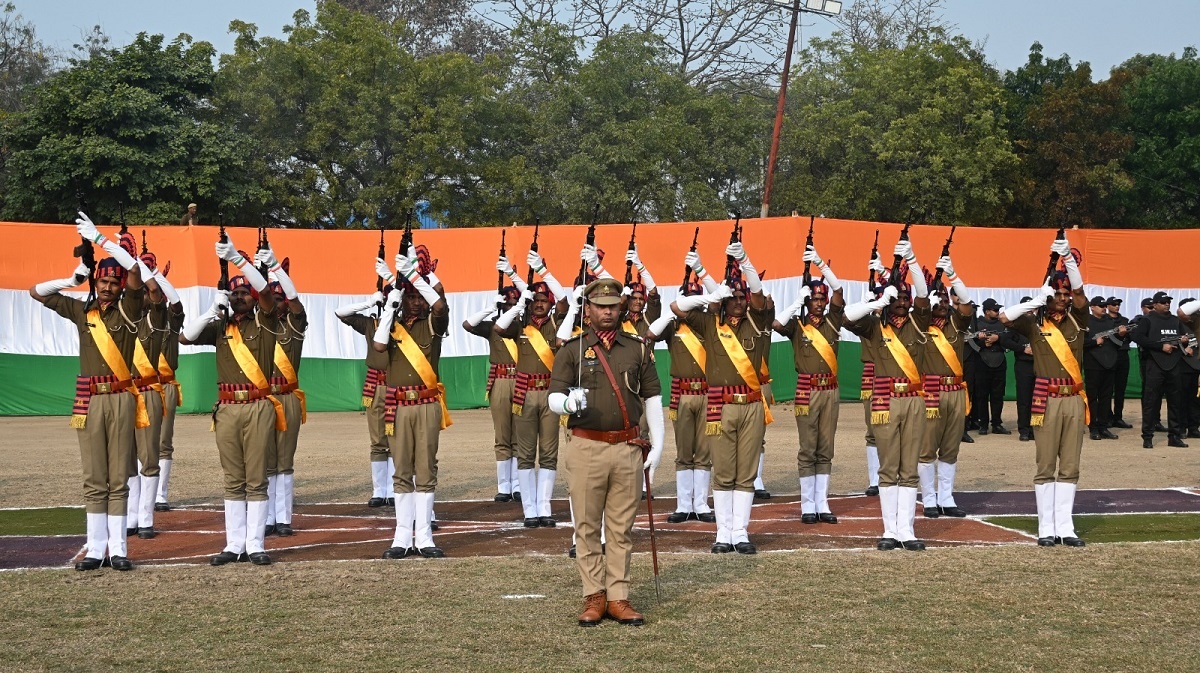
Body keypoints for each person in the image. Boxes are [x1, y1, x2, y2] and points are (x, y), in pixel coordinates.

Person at [30, 212, 153, 571]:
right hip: (89, 399)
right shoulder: (83, 311)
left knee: (118, 476)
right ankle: (96, 549)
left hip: (119, 397)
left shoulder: (130, 308)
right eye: (102, 281)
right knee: (93, 477)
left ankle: (119, 550)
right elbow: (37, 292)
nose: (107, 286)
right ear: (96, 282)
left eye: (112, 283)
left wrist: (101, 240)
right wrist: (72, 278)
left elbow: (137, 275)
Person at [549, 278, 664, 628]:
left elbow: (653, 398)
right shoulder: (571, 350)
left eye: (613, 305)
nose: (608, 311)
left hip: (628, 446)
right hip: (586, 446)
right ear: (588, 309)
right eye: (600, 306)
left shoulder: (638, 348)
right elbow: (553, 397)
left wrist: (658, 444)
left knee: (621, 528)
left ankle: (618, 597)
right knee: (585, 526)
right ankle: (594, 595)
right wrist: (567, 401)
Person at [180, 234, 279, 566]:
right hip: (226, 408)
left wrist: (237, 258)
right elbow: (185, 336)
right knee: (233, 477)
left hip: (257, 406)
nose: (239, 298)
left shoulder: (264, 322)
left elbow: (265, 291)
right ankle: (235, 543)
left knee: (256, 476)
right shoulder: (220, 325)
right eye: (234, 293)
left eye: (243, 294)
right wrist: (211, 310)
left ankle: (256, 544)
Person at [671, 241, 772, 555]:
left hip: (752, 405)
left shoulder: (758, 321)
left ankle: (740, 532)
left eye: (742, 298)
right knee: (724, 470)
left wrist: (746, 261)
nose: (740, 302)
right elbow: (677, 307)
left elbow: (760, 295)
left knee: (747, 473)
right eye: (735, 298)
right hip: (721, 406)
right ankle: (723, 534)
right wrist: (710, 293)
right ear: (725, 302)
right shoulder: (709, 324)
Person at [998, 234, 1088, 547]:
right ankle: (1046, 527)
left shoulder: (1078, 321)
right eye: (1057, 293)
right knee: (1046, 464)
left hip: (1074, 399)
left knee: (1071, 464)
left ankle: (1066, 527)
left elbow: (1080, 292)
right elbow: (1004, 317)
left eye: (1064, 293)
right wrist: (1037, 300)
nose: (1063, 298)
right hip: (1047, 399)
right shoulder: (1034, 325)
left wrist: (1070, 261)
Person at [844, 238, 931, 551]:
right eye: (897, 298)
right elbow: (845, 317)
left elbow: (923, 293)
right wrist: (877, 303)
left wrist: (912, 257)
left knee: (909, 466)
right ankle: (890, 530)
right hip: (884, 400)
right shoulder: (876, 326)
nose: (902, 302)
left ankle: (906, 530)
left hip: (914, 400)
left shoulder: (919, 322)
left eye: (903, 297)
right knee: (888, 466)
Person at [373, 247, 451, 558]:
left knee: (426, 467)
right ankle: (402, 536)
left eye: (419, 297)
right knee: (402, 469)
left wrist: (415, 276)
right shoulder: (392, 325)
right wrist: (391, 307)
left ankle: (425, 535)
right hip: (398, 406)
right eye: (411, 297)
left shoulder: (432, 324)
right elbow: (379, 346)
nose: (416, 301)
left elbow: (440, 305)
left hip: (426, 405)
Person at [494, 248, 571, 528]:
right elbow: (500, 329)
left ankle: (544, 506)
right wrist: (518, 304)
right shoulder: (520, 323)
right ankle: (529, 510)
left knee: (549, 452)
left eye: (542, 300)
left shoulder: (557, 323)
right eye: (535, 300)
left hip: (551, 395)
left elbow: (564, 299)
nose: (539, 304)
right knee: (526, 453)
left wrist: (543, 271)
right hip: (523, 395)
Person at [773, 245, 845, 524]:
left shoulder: (833, 321)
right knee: (807, 447)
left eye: (820, 299)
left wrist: (820, 264)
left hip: (831, 390)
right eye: (813, 298)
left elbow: (838, 291)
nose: (817, 302)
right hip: (807, 389)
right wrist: (795, 301)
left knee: (826, 446)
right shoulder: (798, 325)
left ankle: (822, 503)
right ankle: (807, 505)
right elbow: (778, 324)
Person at [647, 263, 719, 524]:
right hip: (682, 393)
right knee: (683, 451)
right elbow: (650, 333)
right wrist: (672, 311)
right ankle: (682, 504)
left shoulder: (708, 323)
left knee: (703, 451)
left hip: (707, 393)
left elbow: (716, 302)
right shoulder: (673, 326)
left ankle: (700, 504)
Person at [918, 257, 976, 519]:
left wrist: (953, 274)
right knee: (928, 448)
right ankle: (929, 498)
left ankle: (947, 497)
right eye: (937, 300)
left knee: (951, 447)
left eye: (944, 300)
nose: (942, 304)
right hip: (930, 392)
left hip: (955, 393)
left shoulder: (956, 323)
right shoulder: (919, 325)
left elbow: (966, 304)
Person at [258, 249, 306, 538]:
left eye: (280, 301)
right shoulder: (256, 327)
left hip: (287, 398)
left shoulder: (295, 326)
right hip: (262, 399)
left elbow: (298, 303)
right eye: (271, 300)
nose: (276, 305)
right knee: (264, 460)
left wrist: (275, 268)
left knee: (284, 461)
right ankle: (266, 516)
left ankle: (283, 517)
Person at [335, 287, 398, 507]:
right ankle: (380, 490)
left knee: (398, 441)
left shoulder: (405, 327)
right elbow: (341, 313)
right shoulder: (371, 325)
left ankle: (395, 489)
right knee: (378, 441)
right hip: (376, 386)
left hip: (398, 387)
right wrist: (370, 303)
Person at [465, 274, 524, 502]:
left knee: (520, 436)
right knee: (502, 435)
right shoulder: (493, 327)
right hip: (500, 381)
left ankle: (518, 484)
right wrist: (491, 308)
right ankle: (504, 485)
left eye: (514, 303)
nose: (510, 307)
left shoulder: (525, 327)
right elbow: (468, 324)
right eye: (507, 304)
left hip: (521, 380)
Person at [125, 245, 169, 539]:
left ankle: (146, 518)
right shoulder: (119, 319)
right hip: (121, 394)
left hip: (148, 391)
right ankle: (130, 517)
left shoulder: (155, 320)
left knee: (149, 455)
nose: (141, 296)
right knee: (125, 458)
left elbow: (157, 297)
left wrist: (141, 267)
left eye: (142, 292)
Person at [1132, 292, 1191, 449]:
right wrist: (1160, 347)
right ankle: (1148, 436)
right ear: (1155, 304)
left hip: (1174, 364)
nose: (1167, 304)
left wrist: (1184, 341)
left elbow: (1184, 337)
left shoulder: (1175, 320)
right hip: (1155, 364)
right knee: (1151, 401)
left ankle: (1174, 436)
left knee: (1175, 402)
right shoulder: (1147, 320)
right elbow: (1137, 337)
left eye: (1168, 302)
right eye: (1163, 302)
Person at [152, 260, 186, 512]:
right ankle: (140, 494)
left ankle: (160, 494)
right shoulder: (136, 318)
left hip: (165, 386)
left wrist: (156, 275)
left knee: (164, 441)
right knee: (135, 443)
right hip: (137, 386)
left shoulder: (172, 323)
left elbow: (177, 305)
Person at [1083, 296, 1124, 441]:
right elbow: (1079, 342)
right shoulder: (1086, 321)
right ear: (1092, 307)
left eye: (1104, 306)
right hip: (1093, 364)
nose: (1104, 308)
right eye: (1100, 306)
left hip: (1109, 362)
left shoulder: (1110, 321)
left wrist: (1122, 335)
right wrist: (1094, 342)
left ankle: (1103, 426)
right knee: (1093, 397)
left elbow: (1119, 342)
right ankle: (1093, 427)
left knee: (1106, 397)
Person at [969, 299, 1010, 436]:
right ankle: (983, 424)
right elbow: (971, 341)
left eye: (998, 310)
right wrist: (981, 345)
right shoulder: (977, 324)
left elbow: (1009, 339)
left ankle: (997, 423)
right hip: (982, 361)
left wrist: (997, 338)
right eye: (995, 310)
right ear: (987, 312)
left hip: (999, 360)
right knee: (982, 395)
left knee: (998, 395)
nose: (998, 312)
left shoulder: (1002, 324)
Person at [1002, 298, 1036, 442]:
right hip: (1023, 365)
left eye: (1031, 309)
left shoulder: (1040, 323)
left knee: (1039, 399)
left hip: (1040, 365)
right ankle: (1024, 429)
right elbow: (1005, 340)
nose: (1030, 312)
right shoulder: (1016, 325)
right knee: (1024, 398)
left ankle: (1035, 429)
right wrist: (1023, 349)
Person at [1106, 297, 1134, 429]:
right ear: (1107, 306)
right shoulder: (1104, 320)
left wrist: (1123, 335)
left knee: (1120, 388)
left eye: (1118, 304)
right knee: (1107, 388)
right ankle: (1108, 416)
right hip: (1108, 355)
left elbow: (1129, 338)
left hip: (1122, 354)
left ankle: (1118, 417)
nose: (1117, 306)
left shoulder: (1124, 321)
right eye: (1114, 304)